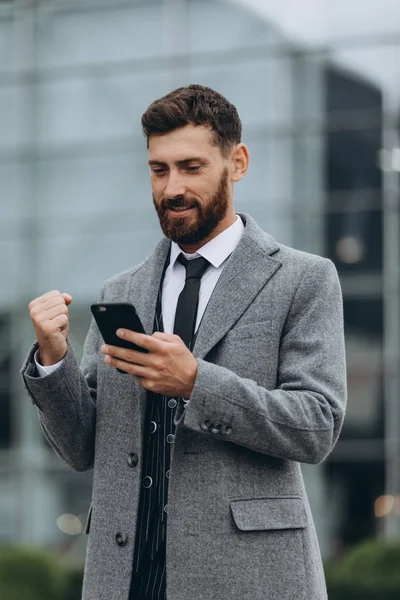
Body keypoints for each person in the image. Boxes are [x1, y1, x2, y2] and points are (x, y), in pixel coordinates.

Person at [21, 84, 347, 600]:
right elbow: (82, 447)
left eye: (191, 167)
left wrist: (197, 383)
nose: (172, 187)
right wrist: (52, 358)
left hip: (247, 578)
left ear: (236, 162)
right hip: (124, 577)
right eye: (159, 169)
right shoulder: (120, 290)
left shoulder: (303, 279)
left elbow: (318, 425)